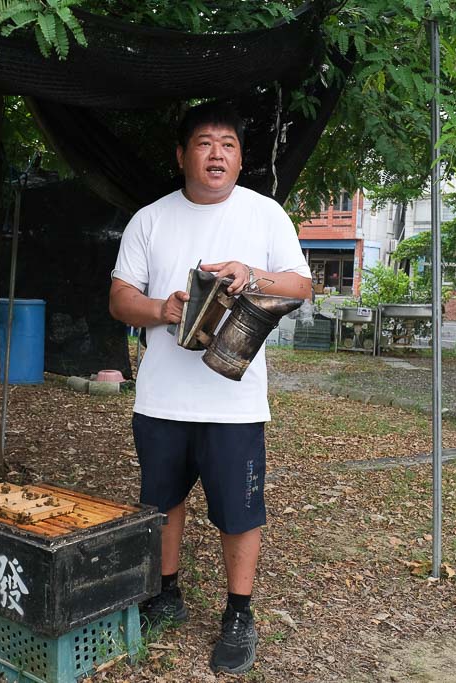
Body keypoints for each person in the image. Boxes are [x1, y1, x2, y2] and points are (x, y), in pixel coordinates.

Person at [108, 101, 311, 675]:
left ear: (241, 158)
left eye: (228, 143)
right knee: (163, 499)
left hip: (234, 401)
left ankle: (238, 614)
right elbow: (119, 296)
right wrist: (159, 307)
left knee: (239, 511)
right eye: (204, 142)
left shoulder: (266, 215)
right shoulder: (150, 219)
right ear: (182, 155)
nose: (216, 153)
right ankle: (166, 593)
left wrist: (253, 274)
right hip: (162, 398)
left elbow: (302, 284)